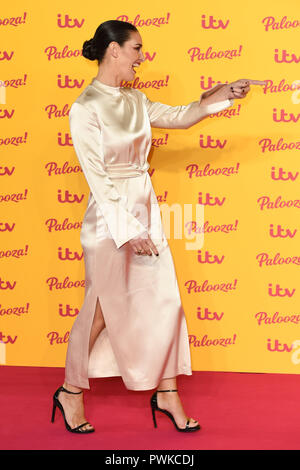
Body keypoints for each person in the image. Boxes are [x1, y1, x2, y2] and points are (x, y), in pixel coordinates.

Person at [51, 19, 266, 434]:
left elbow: (183, 116)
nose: (141, 58)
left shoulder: (136, 101)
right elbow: (97, 176)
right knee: (99, 310)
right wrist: (128, 228)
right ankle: (70, 392)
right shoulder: (85, 107)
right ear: (113, 50)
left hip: (145, 208)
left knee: (164, 301)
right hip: (111, 218)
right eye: (136, 49)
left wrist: (225, 94)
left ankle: (167, 393)